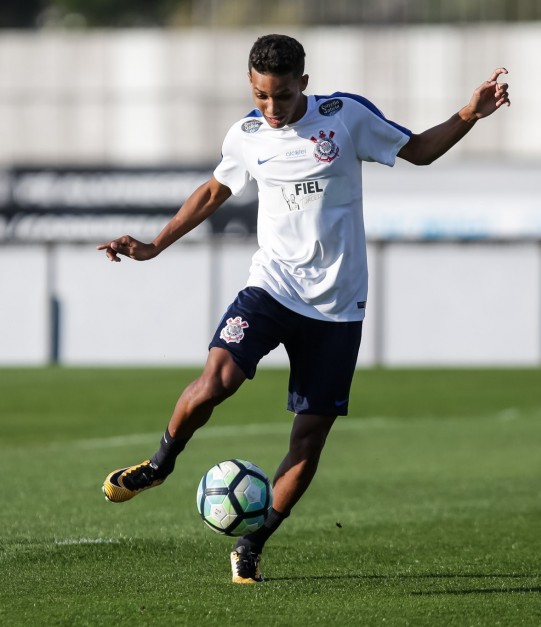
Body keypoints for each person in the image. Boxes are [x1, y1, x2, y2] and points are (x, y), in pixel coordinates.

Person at [98, 33, 509, 584]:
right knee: (217, 378)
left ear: (304, 85)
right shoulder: (245, 134)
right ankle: (159, 464)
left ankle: (252, 542)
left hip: (337, 306)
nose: (272, 108)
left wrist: (469, 113)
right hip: (272, 287)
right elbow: (213, 192)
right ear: (251, 85)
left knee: (308, 437)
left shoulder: (345, 118)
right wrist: (153, 245)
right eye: (263, 96)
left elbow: (419, 151)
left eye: (284, 96)